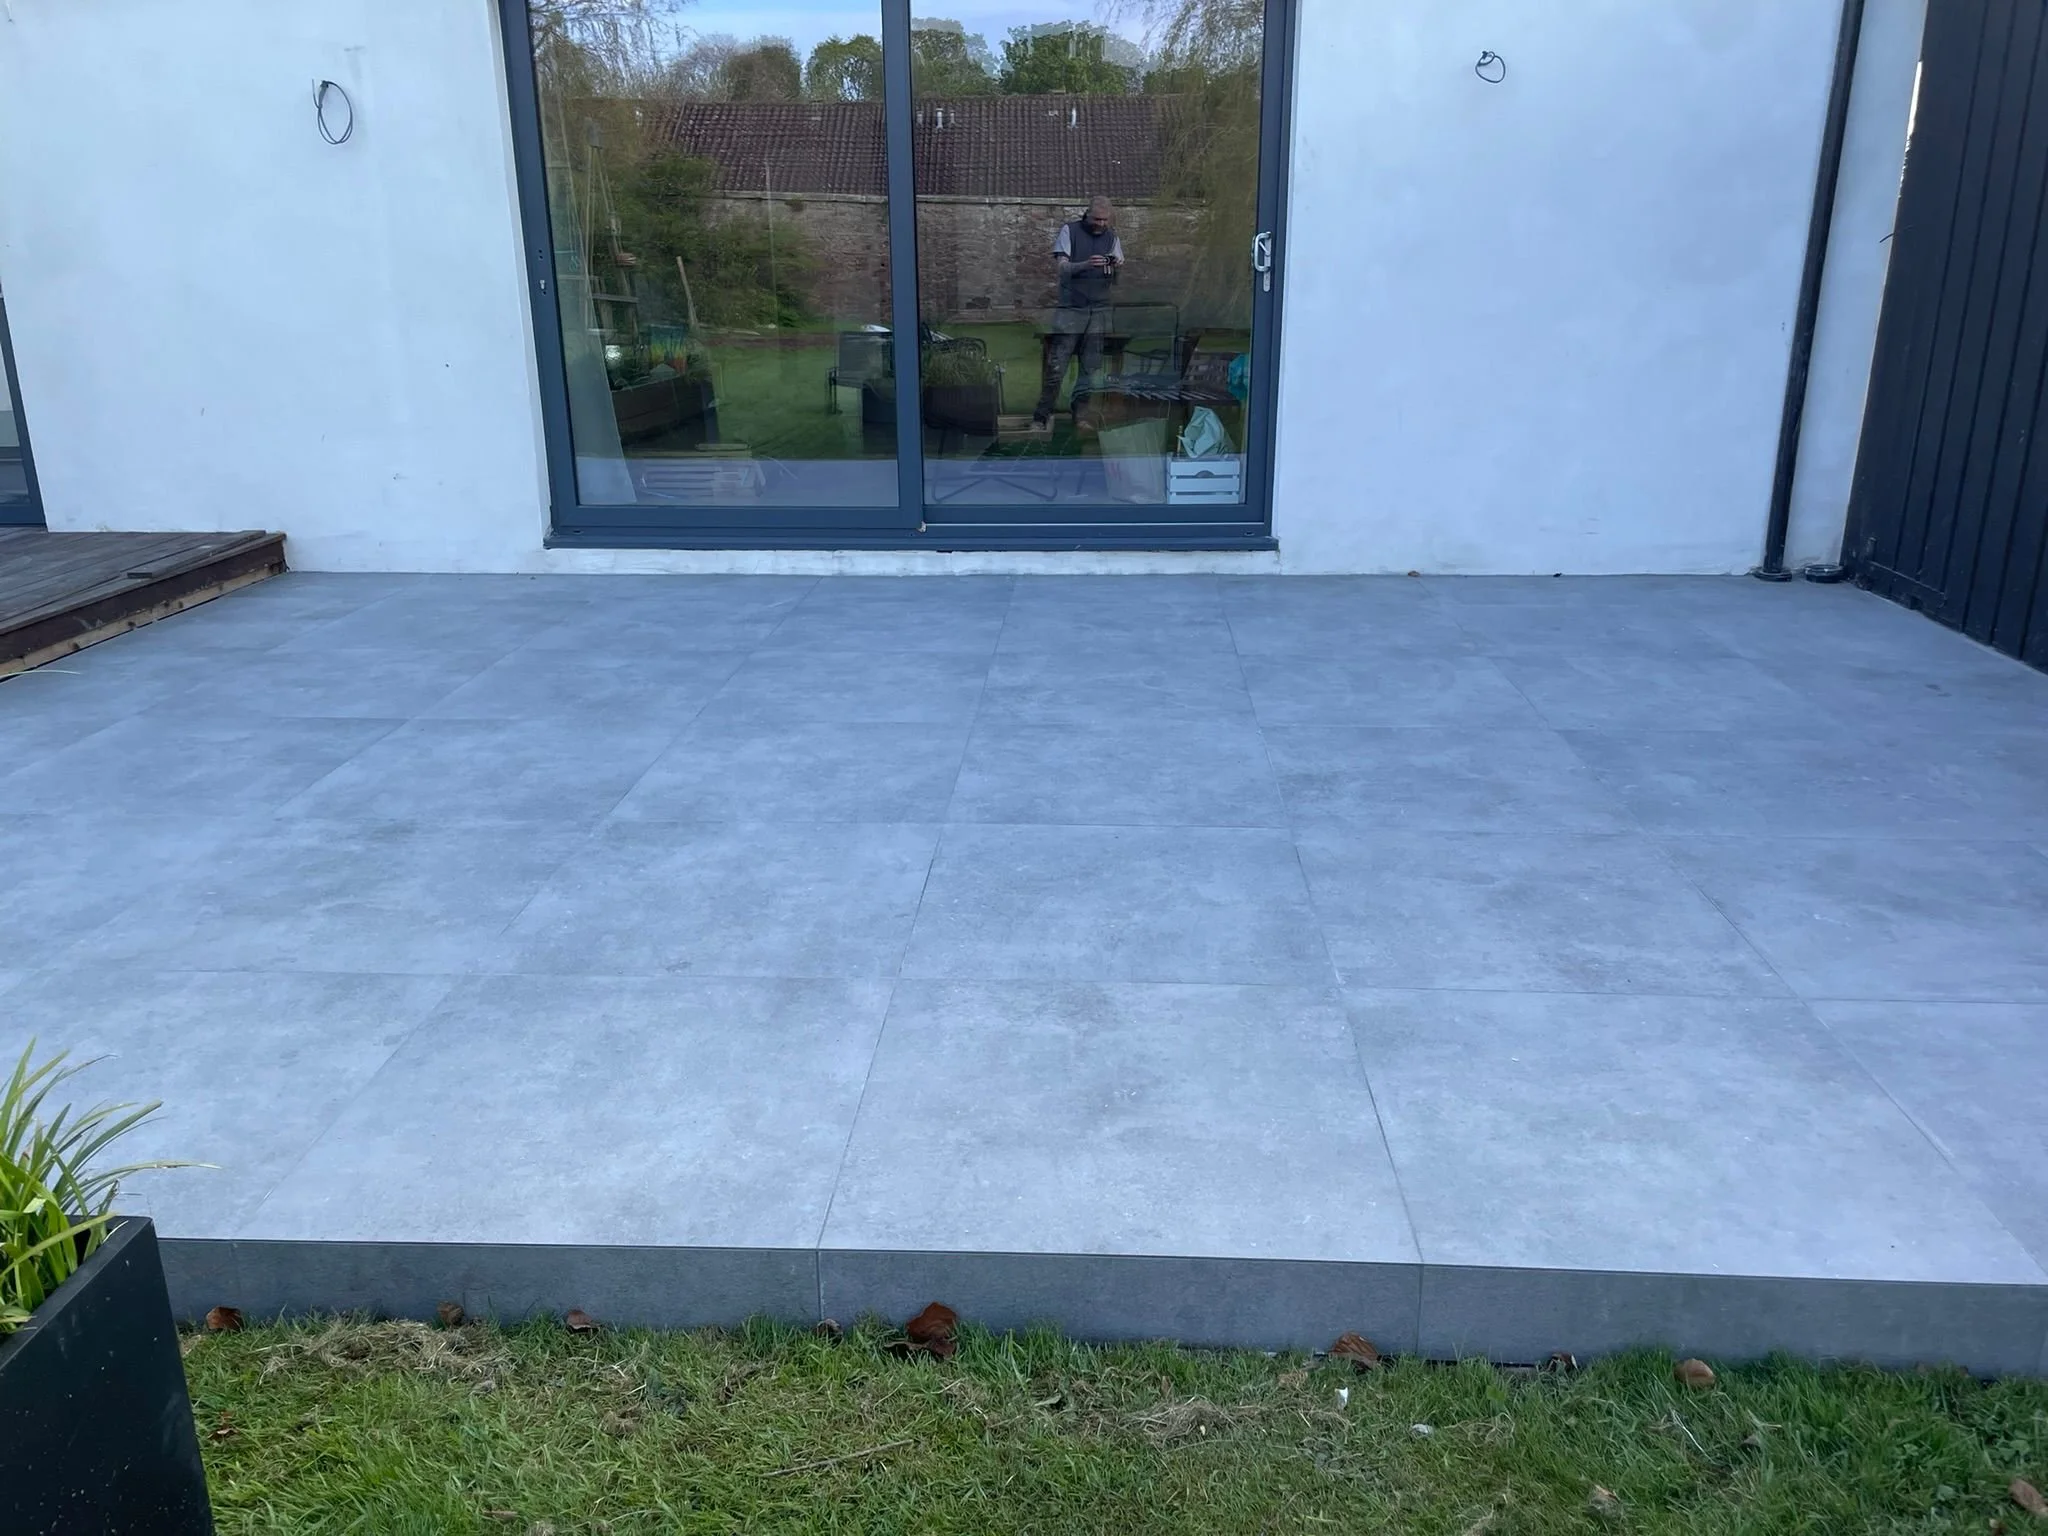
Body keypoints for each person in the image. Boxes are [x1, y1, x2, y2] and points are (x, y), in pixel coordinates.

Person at [1033, 196, 1124, 429]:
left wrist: (1114, 267)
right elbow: (1062, 270)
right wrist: (1086, 264)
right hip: (1071, 309)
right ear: (1087, 214)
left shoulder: (1112, 238)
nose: (1101, 224)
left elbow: (1116, 281)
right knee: (1056, 366)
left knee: (1090, 368)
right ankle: (1041, 416)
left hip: (1099, 309)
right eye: (1097, 219)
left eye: (1105, 220)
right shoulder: (1069, 231)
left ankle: (1080, 415)